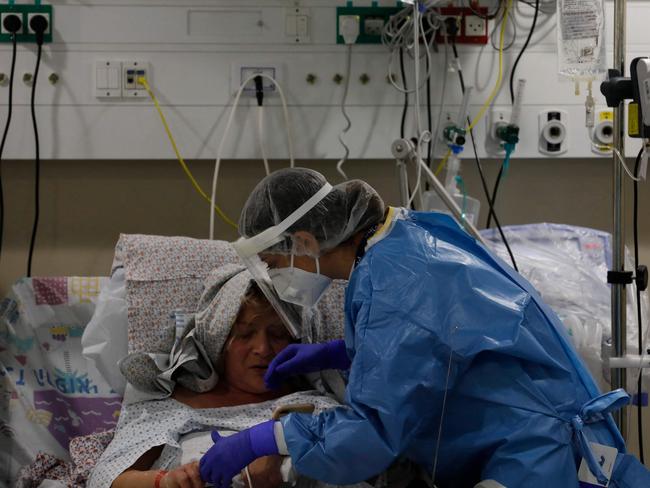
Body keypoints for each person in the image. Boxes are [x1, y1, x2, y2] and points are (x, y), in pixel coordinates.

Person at [199, 168, 650, 488]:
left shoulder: (397, 282)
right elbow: (438, 341)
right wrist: (341, 352)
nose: (278, 279)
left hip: (535, 454)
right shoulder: (401, 235)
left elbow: (373, 431)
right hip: (535, 432)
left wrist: (263, 439)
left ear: (305, 242)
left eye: (275, 264)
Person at [88, 265, 343, 488]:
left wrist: (282, 447)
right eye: (245, 334)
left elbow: (361, 462)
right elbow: (107, 480)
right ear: (218, 341)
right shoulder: (172, 406)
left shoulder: (316, 407)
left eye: (277, 335)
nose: (263, 349)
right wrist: (165, 481)